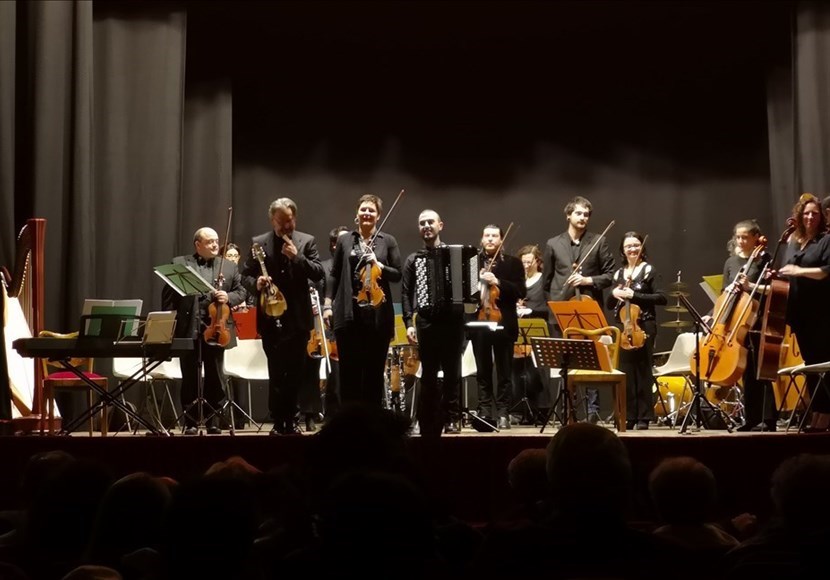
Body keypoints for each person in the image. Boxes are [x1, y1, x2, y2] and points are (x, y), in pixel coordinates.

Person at [241, 198, 324, 435]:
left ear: (294, 218)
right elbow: (245, 276)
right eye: (281, 222)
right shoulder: (259, 243)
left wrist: (297, 258)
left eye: (290, 221)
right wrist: (256, 283)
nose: (286, 226)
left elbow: (318, 273)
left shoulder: (306, 242)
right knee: (276, 371)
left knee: (296, 372)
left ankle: (293, 420)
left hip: (297, 319)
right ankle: (279, 422)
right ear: (272, 220)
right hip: (270, 318)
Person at [162, 227, 246, 435]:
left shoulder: (228, 267)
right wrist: (170, 325)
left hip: (218, 328)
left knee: (216, 376)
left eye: (217, 241)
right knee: (189, 375)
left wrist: (229, 297)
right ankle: (190, 421)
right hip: (189, 327)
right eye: (209, 242)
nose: (215, 245)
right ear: (198, 245)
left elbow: (241, 291)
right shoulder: (180, 264)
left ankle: (213, 421)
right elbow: (168, 299)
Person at [323, 194, 402, 408]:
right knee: (349, 372)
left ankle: (372, 424)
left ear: (378, 216)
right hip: (348, 315)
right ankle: (350, 423)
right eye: (363, 209)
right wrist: (328, 304)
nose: (367, 213)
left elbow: (398, 274)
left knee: (374, 373)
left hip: (378, 317)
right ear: (357, 214)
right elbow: (334, 273)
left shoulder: (388, 241)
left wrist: (380, 265)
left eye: (372, 210)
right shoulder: (345, 240)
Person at [542, 196, 616, 422]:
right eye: (579, 213)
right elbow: (546, 281)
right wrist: (554, 303)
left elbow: (611, 275)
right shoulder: (553, 243)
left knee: (590, 361)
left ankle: (592, 412)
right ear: (568, 215)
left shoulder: (599, 241)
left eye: (586, 214)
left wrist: (587, 281)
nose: (583, 218)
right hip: (562, 310)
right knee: (566, 363)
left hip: (588, 309)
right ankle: (567, 411)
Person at [401, 209, 466, 436]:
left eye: (430, 222)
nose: (426, 226)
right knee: (427, 375)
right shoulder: (413, 259)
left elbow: (469, 289)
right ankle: (426, 418)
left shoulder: (456, 255)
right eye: (422, 223)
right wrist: (409, 321)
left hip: (453, 323)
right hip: (427, 322)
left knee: (452, 374)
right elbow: (406, 293)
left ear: (441, 225)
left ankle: (451, 418)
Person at [778, 193, 830, 432]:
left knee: (823, 368)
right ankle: (817, 416)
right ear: (800, 215)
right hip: (800, 314)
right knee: (811, 367)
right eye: (806, 213)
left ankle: (825, 418)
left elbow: (825, 272)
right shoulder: (795, 242)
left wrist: (797, 271)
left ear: (821, 217)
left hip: (821, 313)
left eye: (815, 214)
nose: (810, 217)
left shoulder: (825, 240)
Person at [607, 232, 667, 430]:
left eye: (635, 245)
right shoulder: (618, 274)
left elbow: (661, 298)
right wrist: (613, 293)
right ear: (623, 251)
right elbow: (609, 304)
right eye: (628, 246)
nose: (632, 249)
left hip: (644, 325)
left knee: (642, 370)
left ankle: (644, 416)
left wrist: (635, 295)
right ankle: (629, 415)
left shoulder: (648, 270)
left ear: (642, 248)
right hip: (623, 327)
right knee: (626, 371)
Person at [470, 224, 526, 430]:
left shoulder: (513, 263)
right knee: (483, 371)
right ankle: (485, 410)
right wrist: (477, 285)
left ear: (501, 240)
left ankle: (504, 412)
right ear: (482, 239)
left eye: (495, 236)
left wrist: (498, 281)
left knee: (504, 371)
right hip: (479, 321)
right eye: (487, 235)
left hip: (504, 322)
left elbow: (520, 291)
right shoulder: (473, 262)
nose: (491, 239)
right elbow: (465, 292)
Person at [724, 220, 776, 431]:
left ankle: (769, 418)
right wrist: (714, 315)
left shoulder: (764, 259)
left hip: (758, 318)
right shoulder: (731, 263)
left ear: (756, 238)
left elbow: (773, 288)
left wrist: (751, 285)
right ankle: (751, 418)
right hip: (737, 320)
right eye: (738, 237)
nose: (741, 241)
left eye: (745, 237)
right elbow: (724, 291)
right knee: (745, 370)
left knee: (760, 369)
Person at [298, 226, 348, 430]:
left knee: (341, 375)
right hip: (321, 327)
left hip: (345, 325)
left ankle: (344, 415)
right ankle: (311, 414)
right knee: (312, 371)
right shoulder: (323, 267)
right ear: (334, 245)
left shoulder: (354, 267)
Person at [512, 244, 550, 424]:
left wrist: (530, 310)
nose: (526, 266)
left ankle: (541, 412)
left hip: (538, 330)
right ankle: (522, 411)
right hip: (519, 332)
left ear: (538, 262)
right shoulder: (519, 282)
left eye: (529, 262)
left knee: (538, 372)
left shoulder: (544, 281)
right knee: (520, 372)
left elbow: (549, 306)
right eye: (523, 262)